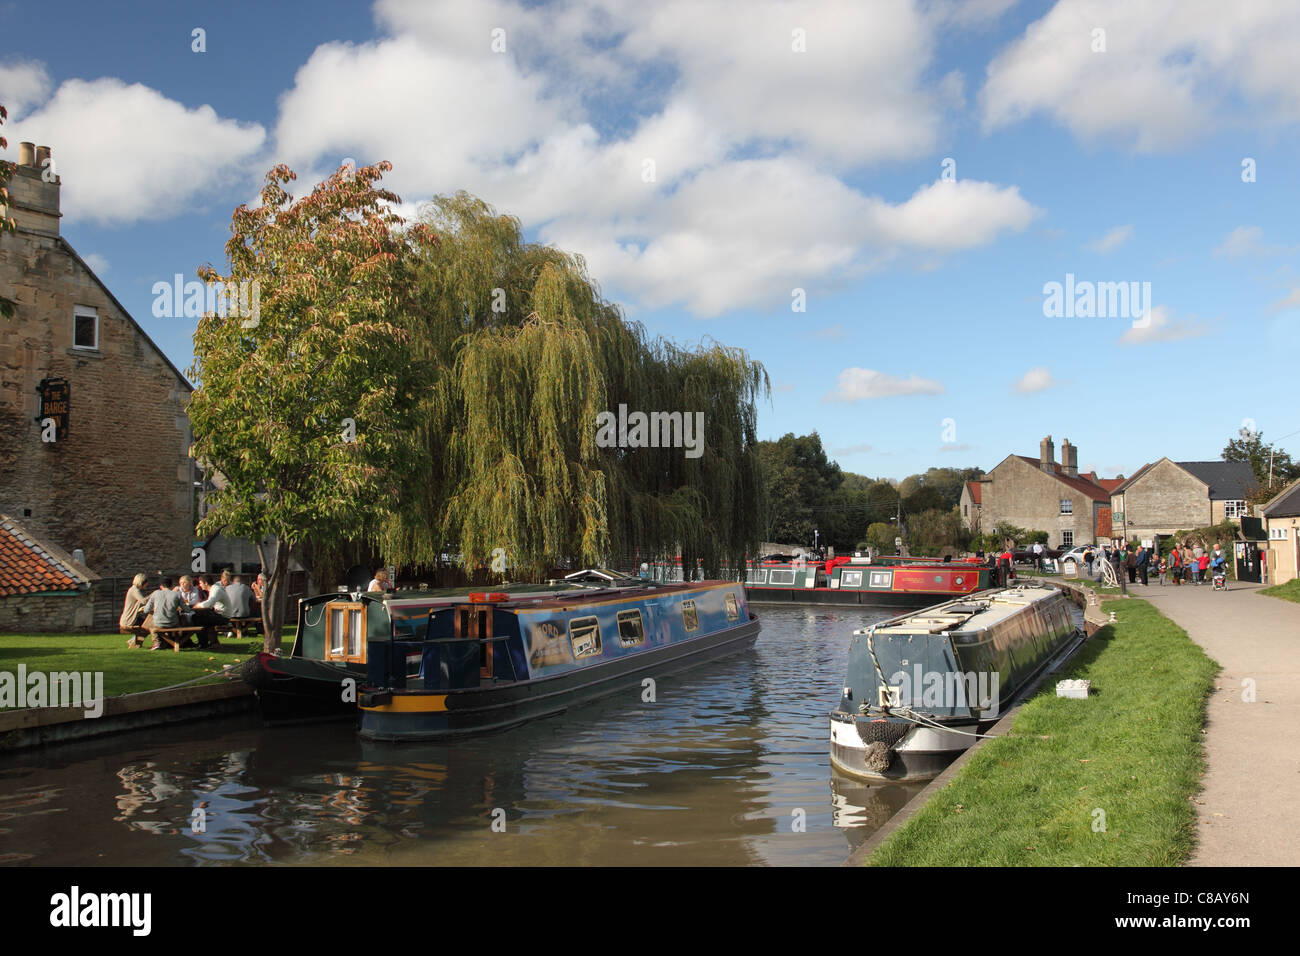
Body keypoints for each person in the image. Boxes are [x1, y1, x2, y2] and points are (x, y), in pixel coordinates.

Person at [140, 578, 189, 650]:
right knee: (181, 620)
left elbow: (146, 610)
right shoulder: (177, 594)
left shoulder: (155, 594)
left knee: (149, 623)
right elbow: (187, 609)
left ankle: (157, 642)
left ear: (161, 586)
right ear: (172, 586)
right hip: (173, 623)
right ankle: (173, 642)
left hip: (158, 623)